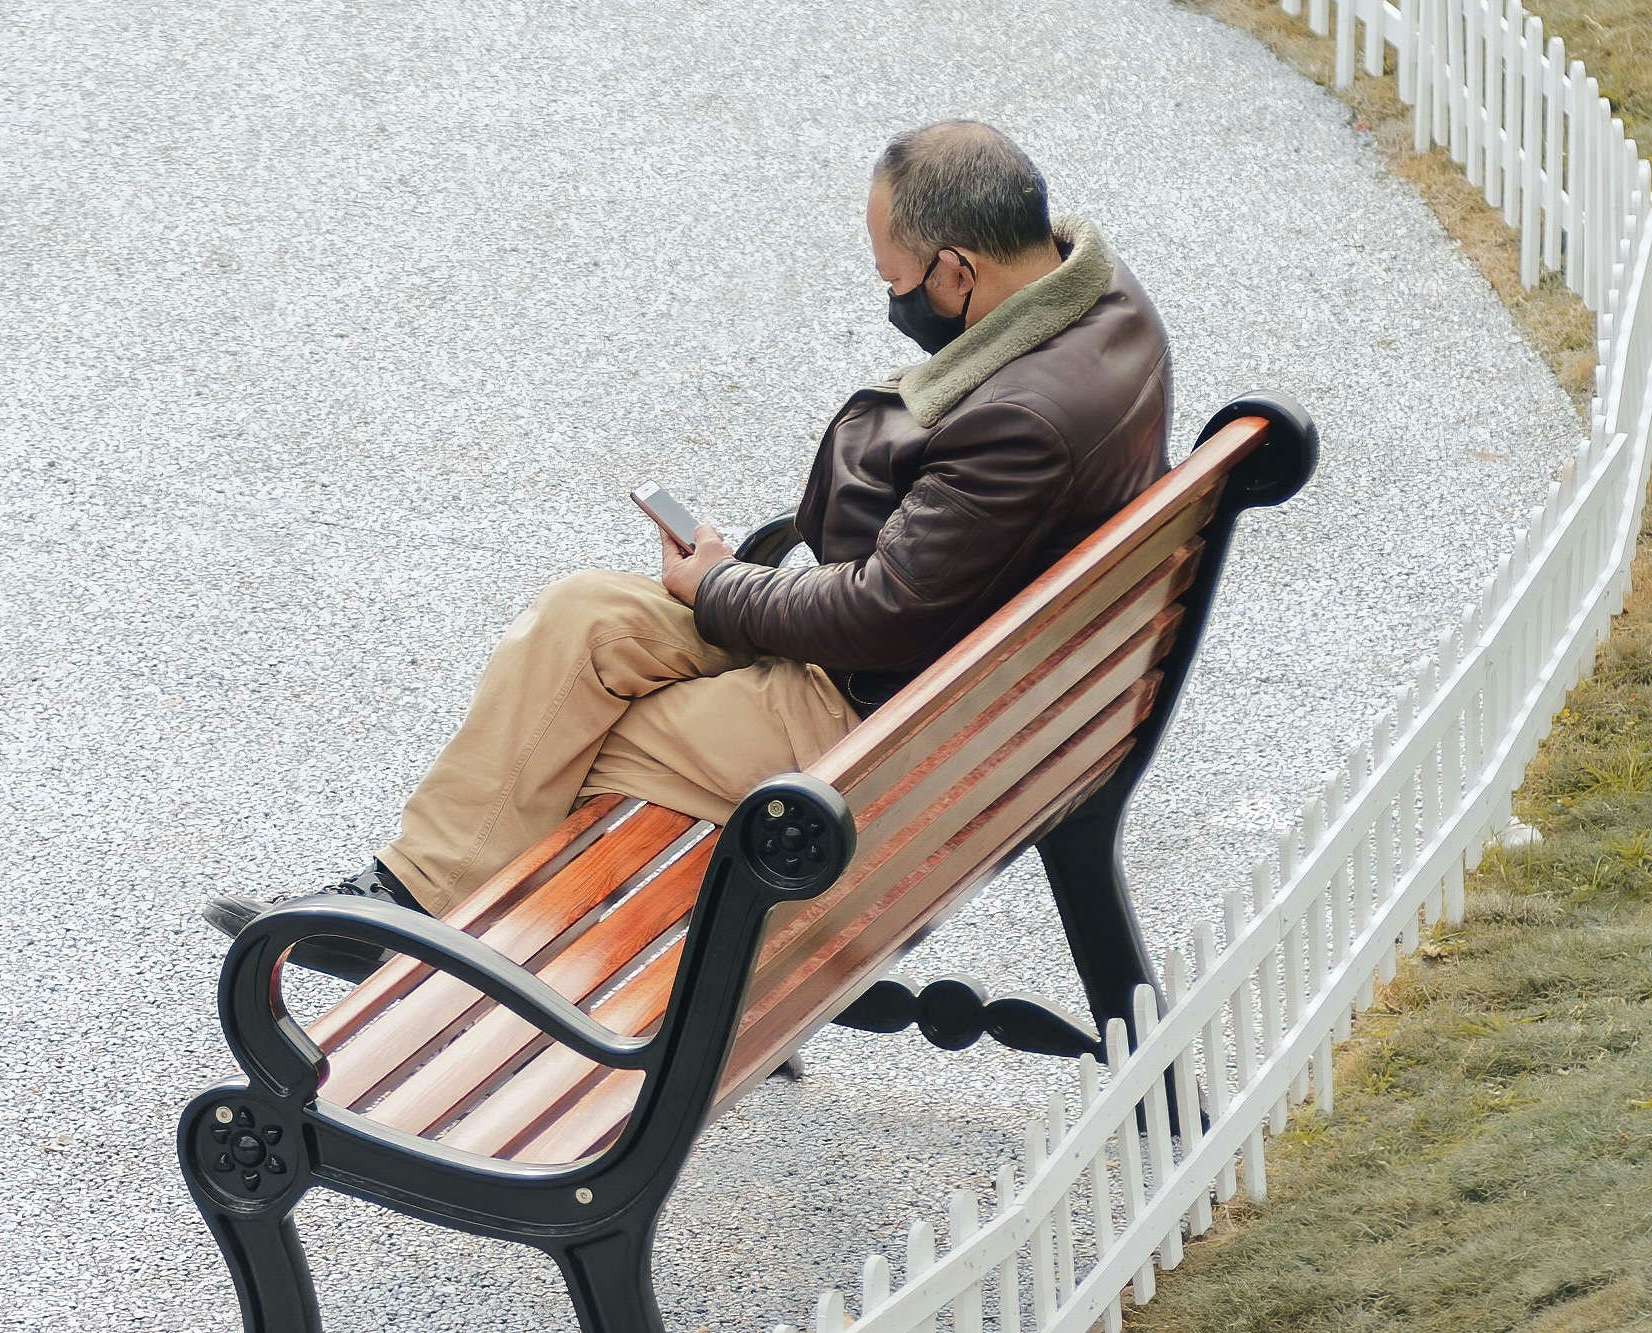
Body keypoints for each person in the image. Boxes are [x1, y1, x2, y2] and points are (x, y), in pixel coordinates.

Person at [218, 118, 1172, 937]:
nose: (892, 302)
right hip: (964, 667)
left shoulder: (1024, 423)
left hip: (880, 724)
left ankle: (508, 969)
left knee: (562, 745)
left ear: (958, 269)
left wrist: (720, 589)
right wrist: (726, 582)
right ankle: (407, 898)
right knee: (583, 617)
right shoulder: (1102, 303)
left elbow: (887, 611)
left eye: (896, 285)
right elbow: (920, 578)